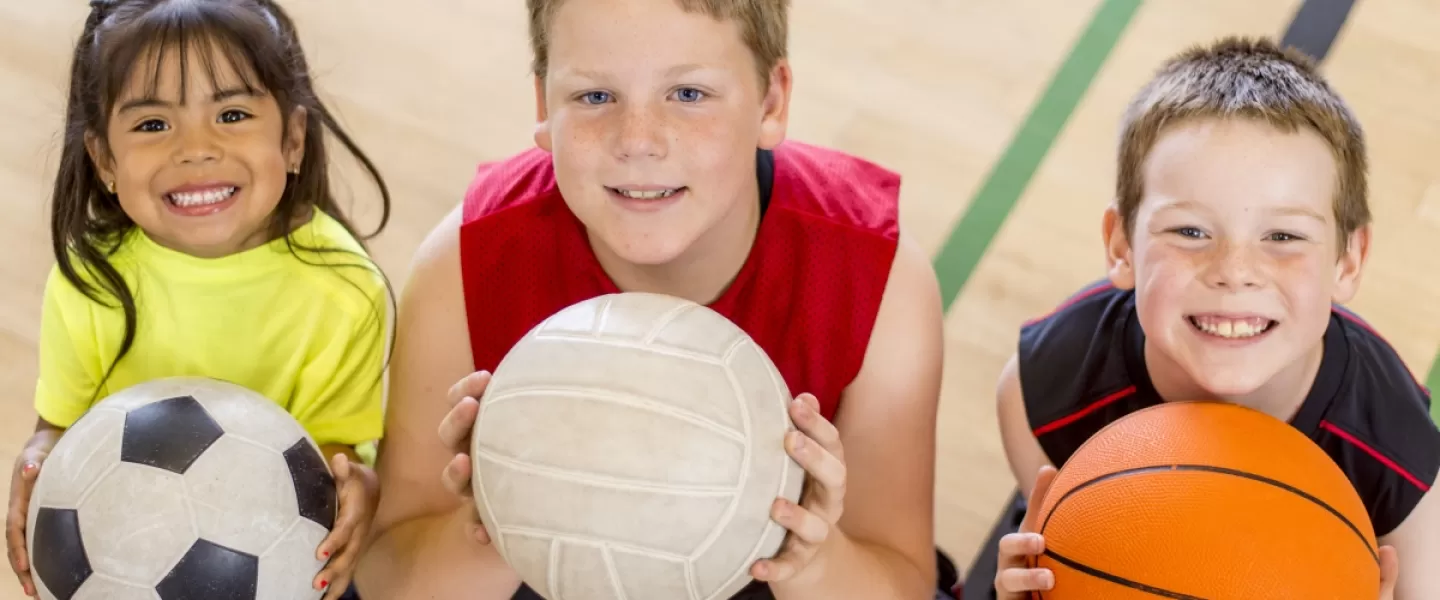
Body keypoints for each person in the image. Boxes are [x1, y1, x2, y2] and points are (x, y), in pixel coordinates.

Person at [354, 0, 950, 597]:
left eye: (688, 94)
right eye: (594, 97)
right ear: (542, 104)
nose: (637, 142)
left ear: (771, 101)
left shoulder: (875, 277)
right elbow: (386, 573)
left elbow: (901, 580)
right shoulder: (466, 261)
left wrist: (813, 557)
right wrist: (496, 515)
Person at [990, 37, 1439, 599]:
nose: (1234, 271)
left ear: (1347, 261)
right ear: (1121, 246)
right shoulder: (1048, 389)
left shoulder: (1396, 451)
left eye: (1282, 236)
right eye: (1191, 232)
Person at [5, 1, 393, 598]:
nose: (196, 149)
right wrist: (37, 462)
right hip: (121, 553)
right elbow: (58, 428)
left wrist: (358, 484)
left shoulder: (343, 289)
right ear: (104, 160)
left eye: (231, 113)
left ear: (292, 139)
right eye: (153, 125)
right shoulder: (94, 279)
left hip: (278, 564)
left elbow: (335, 449)